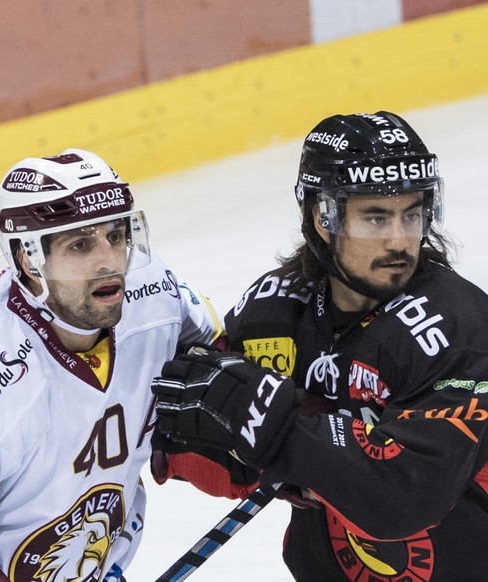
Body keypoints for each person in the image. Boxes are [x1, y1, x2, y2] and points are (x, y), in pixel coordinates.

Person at [0, 148, 224, 581]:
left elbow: (219, 352)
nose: (108, 260)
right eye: (80, 244)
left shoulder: (153, 293)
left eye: (116, 235)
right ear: (29, 260)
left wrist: (267, 440)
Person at [150, 111, 488, 580]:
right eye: (375, 217)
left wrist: (282, 431)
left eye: (411, 214)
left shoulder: (459, 331)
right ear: (322, 217)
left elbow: (403, 496)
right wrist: (247, 449)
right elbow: (205, 444)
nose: (399, 239)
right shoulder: (274, 311)